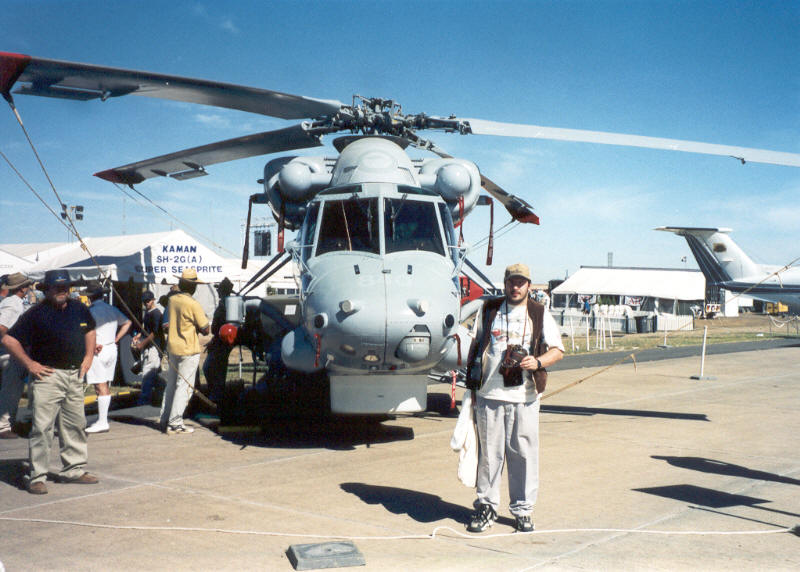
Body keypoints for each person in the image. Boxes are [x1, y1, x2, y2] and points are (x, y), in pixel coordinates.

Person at [464, 263, 564, 533]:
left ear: (529, 285)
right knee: (489, 457)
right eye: (511, 282)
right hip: (489, 395)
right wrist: (471, 389)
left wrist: (538, 362)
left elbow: (558, 350)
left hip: (525, 397)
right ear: (505, 283)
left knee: (524, 455)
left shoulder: (539, 312)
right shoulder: (489, 309)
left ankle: (523, 510)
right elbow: (475, 347)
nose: (516, 287)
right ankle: (486, 507)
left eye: (521, 282)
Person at [2, 269, 99, 494]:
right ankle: (37, 476)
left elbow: (90, 331)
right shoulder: (36, 313)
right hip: (47, 377)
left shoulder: (79, 308)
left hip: (74, 375)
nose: (62, 291)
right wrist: (30, 364)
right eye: (57, 287)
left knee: (75, 424)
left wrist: (88, 357)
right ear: (47, 290)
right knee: (42, 428)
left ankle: (74, 470)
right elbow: (9, 339)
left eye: (65, 287)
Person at [159, 268, 209, 434]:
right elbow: (206, 329)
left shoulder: (172, 300)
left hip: (173, 346)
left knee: (171, 385)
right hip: (188, 348)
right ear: (193, 287)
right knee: (184, 387)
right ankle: (175, 422)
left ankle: (165, 417)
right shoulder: (193, 304)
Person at [84, 281, 132, 434]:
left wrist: (93, 343)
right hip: (111, 347)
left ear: (90, 297)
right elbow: (127, 322)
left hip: (98, 349)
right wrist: (116, 338)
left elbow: (86, 331)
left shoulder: (90, 311)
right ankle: (102, 419)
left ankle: (102, 421)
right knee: (104, 384)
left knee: (100, 385)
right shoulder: (111, 309)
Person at [0, 273, 33, 439]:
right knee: (11, 390)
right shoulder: (13, 304)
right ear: (22, 288)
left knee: (11, 389)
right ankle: (4, 426)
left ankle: (8, 423)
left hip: (10, 353)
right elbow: (2, 327)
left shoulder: (10, 302)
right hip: (11, 354)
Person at [202, 277, 234, 404]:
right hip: (219, 340)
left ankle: (217, 398)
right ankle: (216, 396)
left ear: (223, 290)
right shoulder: (226, 304)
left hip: (222, 342)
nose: (217, 291)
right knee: (212, 369)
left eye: (219, 289)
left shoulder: (226, 305)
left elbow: (220, 326)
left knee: (213, 369)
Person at [132, 290, 165, 405]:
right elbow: (146, 329)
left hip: (154, 347)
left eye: (148, 301)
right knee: (152, 373)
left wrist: (142, 344)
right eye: (144, 301)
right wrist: (138, 336)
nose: (146, 303)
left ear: (153, 300)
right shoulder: (147, 313)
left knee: (147, 372)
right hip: (147, 346)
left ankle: (144, 399)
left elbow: (154, 333)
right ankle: (164, 390)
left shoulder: (156, 314)